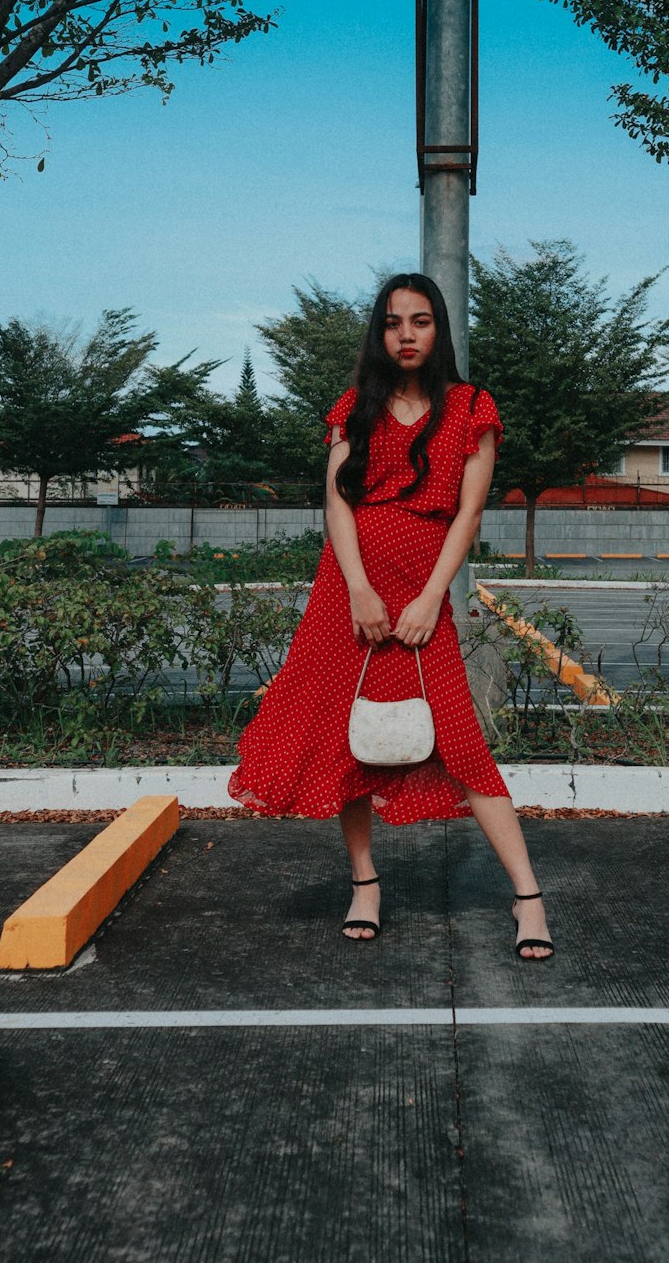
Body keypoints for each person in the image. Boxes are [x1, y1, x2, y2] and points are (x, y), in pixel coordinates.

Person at [228, 273, 554, 960]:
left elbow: (468, 513)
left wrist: (433, 594)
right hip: (347, 593)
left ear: (439, 331)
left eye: (421, 320)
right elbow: (337, 503)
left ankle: (528, 899)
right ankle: (365, 885)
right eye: (393, 322)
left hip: (423, 587)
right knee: (345, 739)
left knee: (461, 743)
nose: (406, 334)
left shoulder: (470, 408)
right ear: (380, 334)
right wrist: (357, 589)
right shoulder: (356, 407)